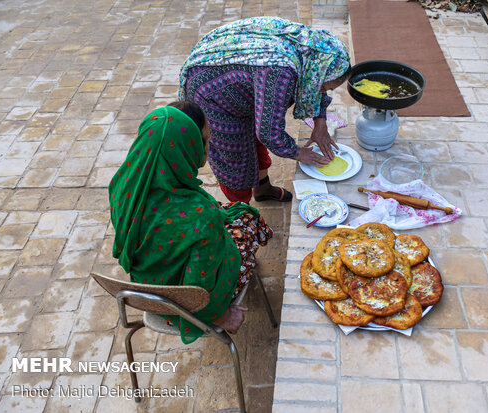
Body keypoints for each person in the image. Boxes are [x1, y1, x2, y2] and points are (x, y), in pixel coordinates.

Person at [108, 101, 272, 344]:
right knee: (246, 219)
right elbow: (198, 294)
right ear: (184, 148)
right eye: (203, 141)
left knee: (229, 214)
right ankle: (250, 262)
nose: (207, 150)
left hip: (147, 289)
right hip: (181, 308)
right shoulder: (201, 216)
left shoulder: (123, 187)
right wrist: (222, 316)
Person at [179, 16, 351, 203]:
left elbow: (265, 127)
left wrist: (321, 123)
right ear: (317, 75)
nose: (322, 93)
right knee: (235, 160)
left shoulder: (313, 51)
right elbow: (269, 133)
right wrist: (299, 153)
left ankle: (263, 189)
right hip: (210, 93)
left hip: (237, 82)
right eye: (324, 88)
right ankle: (240, 211)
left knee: (256, 138)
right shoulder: (280, 73)